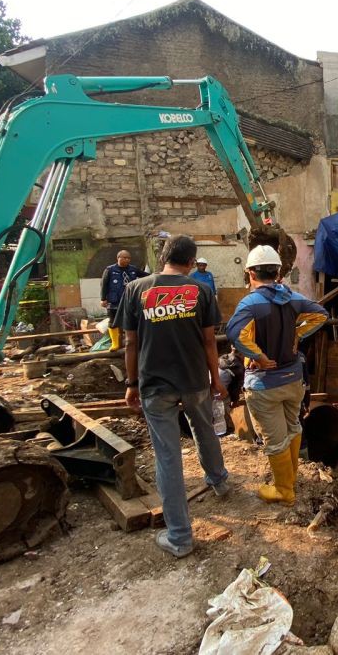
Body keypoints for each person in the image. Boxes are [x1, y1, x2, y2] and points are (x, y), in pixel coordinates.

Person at [119, 235, 230, 559]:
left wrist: (131, 384)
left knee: (168, 458)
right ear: (192, 263)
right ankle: (220, 482)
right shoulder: (202, 291)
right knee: (204, 429)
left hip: (155, 387)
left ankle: (180, 538)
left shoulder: (136, 289)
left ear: (163, 256)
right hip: (195, 381)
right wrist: (215, 379)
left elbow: (130, 343)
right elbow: (211, 343)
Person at [226, 244, 328, 505]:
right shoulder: (292, 298)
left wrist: (259, 357)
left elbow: (236, 334)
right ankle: (290, 478)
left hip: (265, 385)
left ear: (250, 273)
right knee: (293, 426)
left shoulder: (250, 303)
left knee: (274, 439)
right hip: (294, 380)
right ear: (278, 271)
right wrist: (298, 334)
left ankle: (284, 490)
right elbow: (321, 314)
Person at [101, 249, 147, 351]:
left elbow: (145, 275)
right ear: (118, 258)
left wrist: (157, 275)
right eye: (125, 258)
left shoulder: (133, 269)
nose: (127, 260)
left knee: (130, 321)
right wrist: (103, 299)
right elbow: (104, 284)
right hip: (114, 301)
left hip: (129, 301)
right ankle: (115, 344)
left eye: (129, 258)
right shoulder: (109, 270)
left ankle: (130, 342)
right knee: (112, 322)